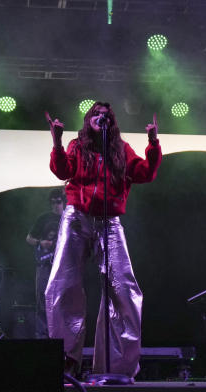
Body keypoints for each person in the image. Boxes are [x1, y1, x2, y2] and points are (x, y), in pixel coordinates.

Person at [45, 102, 161, 379]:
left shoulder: (121, 149)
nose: (101, 118)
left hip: (109, 222)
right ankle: (65, 362)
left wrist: (153, 143)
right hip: (77, 218)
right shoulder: (77, 145)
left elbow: (145, 173)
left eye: (106, 115)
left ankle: (116, 367)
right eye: (96, 114)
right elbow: (62, 171)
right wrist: (58, 142)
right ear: (88, 120)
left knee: (124, 291)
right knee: (63, 286)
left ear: (112, 122)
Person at [26, 187, 66, 338]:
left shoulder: (68, 219)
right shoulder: (43, 218)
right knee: (42, 300)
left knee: (61, 301)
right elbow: (28, 238)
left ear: (64, 202)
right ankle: (42, 336)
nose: (56, 205)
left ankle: (60, 336)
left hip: (62, 266)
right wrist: (41, 243)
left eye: (58, 202)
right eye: (53, 202)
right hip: (44, 264)